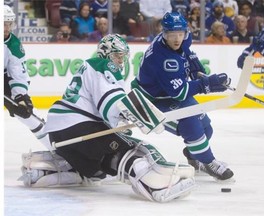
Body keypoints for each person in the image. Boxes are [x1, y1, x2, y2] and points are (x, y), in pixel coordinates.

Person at [18, 34, 195, 202]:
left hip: (58, 132)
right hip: (79, 125)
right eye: (118, 56)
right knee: (131, 149)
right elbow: (113, 102)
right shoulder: (103, 65)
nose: (121, 61)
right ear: (105, 53)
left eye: (123, 56)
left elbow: (106, 110)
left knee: (98, 169)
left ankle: (51, 170)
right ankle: (157, 186)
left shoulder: (90, 67)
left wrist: (121, 119)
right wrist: (137, 114)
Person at [131, 12, 235, 181]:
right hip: (152, 100)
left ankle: (193, 155)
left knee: (206, 128)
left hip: (168, 93)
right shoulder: (163, 59)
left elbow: (185, 49)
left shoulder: (180, 39)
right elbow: (180, 93)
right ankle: (209, 162)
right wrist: (209, 83)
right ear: (164, 34)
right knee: (191, 123)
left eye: (180, 34)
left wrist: (193, 63)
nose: (177, 39)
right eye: (172, 35)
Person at [4, 5, 52, 151]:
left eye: (8, 24)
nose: (6, 29)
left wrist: (20, 96)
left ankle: (56, 148)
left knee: (25, 113)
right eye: (2, 24)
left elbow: (18, 73)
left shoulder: (13, 44)